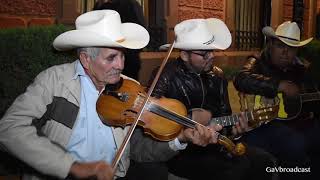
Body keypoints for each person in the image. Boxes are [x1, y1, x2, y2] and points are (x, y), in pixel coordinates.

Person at [0, 10, 222, 180]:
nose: (120, 65)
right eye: (111, 57)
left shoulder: (131, 89)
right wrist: (72, 167)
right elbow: (9, 129)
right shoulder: (55, 82)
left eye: (123, 56)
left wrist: (180, 139)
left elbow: (140, 150)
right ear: (86, 59)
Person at [131, 18, 277, 180]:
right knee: (237, 169)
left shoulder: (218, 76)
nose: (212, 56)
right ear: (185, 55)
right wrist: (188, 119)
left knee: (265, 162)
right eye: (204, 53)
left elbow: (225, 119)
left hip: (214, 145)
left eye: (212, 50)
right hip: (181, 151)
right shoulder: (165, 75)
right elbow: (150, 118)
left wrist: (236, 132)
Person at [234, 21, 320, 179]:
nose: (285, 53)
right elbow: (241, 78)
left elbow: (313, 100)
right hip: (263, 123)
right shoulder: (257, 61)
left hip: (298, 123)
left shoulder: (301, 69)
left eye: (291, 48)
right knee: (295, 144)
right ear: (271, 44)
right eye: (281, 46)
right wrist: (278, 85)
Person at [93, 0, 145, 81]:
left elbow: (139, 32)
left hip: (128, 58)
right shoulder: (100, 5)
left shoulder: (130, 5)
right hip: (107, 57)